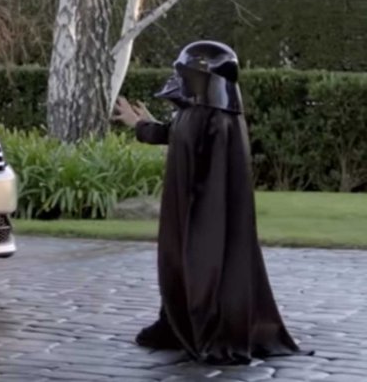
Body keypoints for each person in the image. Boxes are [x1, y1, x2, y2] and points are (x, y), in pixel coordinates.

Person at [113, 40, 308, 365]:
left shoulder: (212, 119)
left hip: (204, 213)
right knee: (184, 261)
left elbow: (185, 140)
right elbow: (176, 135)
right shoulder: (206, 115)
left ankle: (210, 327)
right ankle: (179, 322)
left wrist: (145, 126)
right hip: (198, 211)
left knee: (202, 262)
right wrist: (142, 125)